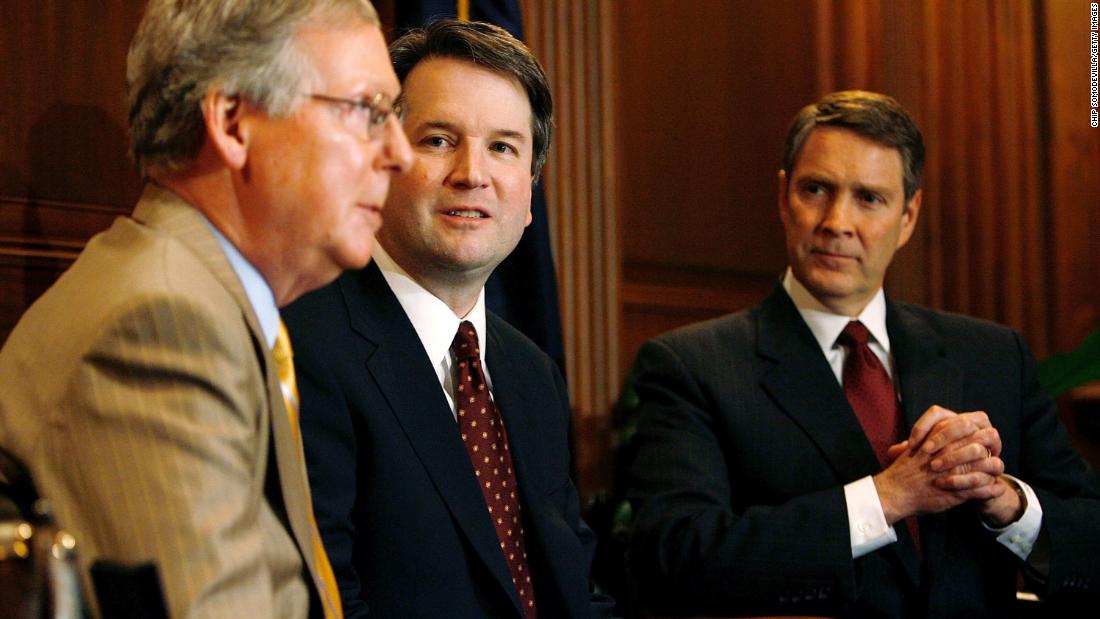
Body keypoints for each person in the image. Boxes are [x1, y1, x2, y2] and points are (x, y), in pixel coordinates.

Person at [0, 1, 411, 616]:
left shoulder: (205, 301)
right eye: (368, 111)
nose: (400, 153)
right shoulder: (159, 324)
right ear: (233, 123)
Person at [625, 90, 1100, 616]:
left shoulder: (992, 356)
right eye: (816, 190)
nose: (837, 221)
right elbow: (678, 561)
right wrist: (885, 497)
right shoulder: (692, 366)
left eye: (869, 198)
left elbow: (1090, 536)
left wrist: (1008, 503)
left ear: (909, 216)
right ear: (784, 197)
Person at [282, 19, 613, 619]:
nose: (472, 173)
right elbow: (324, 602)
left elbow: (576, 591)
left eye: (503, 147)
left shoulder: (531, 374)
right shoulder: (308, 344)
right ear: (380, 160)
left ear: (530, 191)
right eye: (439, 140)